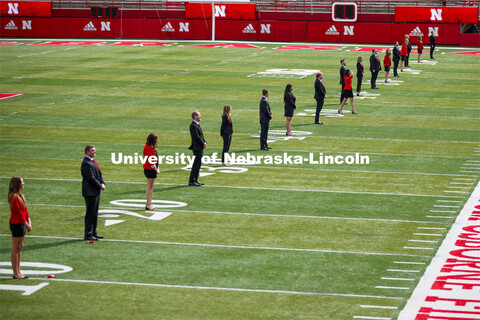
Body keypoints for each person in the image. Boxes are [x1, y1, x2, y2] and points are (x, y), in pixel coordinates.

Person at [8, 177, 32, 279]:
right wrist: (26, 224)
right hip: (17, 223)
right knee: (15, 248)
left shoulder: (19, 195)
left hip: (22, 223)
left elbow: (24, 209)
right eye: (22, 182)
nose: (23, 184)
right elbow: (18, 213)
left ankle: (18, 271)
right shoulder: (13, 196)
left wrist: (29, 220)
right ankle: (15, 273)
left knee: (19, 248)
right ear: (17, 184)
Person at [81, 145, 105, 241]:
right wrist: (100, 185)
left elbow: (99, 174)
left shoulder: (91, 161)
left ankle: (94, 232)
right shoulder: (86, 163)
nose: (94, 152)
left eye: (94, 150)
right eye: (92, 150)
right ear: (87, 151)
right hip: (90, 192)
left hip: (95, 191)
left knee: (94, 213)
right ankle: (88, 234)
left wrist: (102, 182)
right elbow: (91, 178)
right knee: (90, 213)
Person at [188, 110, 206, 186]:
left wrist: (204, 142)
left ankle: (195, 179)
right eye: (198, 115)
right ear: (195, 116)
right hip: (197, 147)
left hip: (199, 147)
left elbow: (201, 136)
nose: (200, 116)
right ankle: (192, 180)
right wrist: (203, 143)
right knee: (196, 165)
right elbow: (197, 137)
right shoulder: (193, 126)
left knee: (198, 165)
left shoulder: (196, 125)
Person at [143, 133, 159, 211]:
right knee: (149, 187)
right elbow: (151, 162)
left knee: (151, 187)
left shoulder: (149, 147)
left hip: (150, 169)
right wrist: (156, 170)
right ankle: (148, 204)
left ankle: (149, 203)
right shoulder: (148, 148)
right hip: (150, 169)